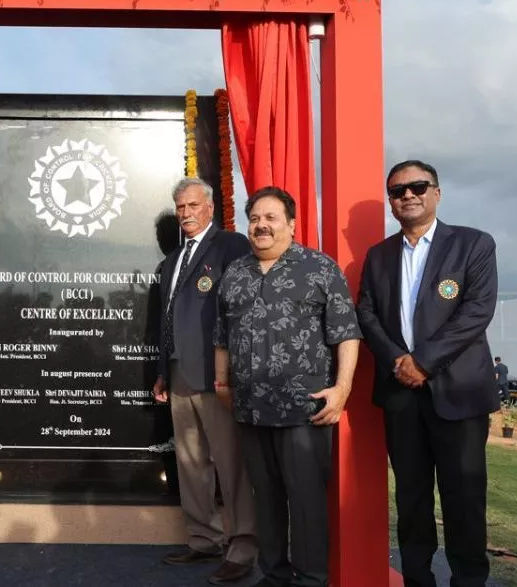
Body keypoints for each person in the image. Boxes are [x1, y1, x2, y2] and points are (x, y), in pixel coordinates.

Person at [356, 160, 499, 587]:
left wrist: (424, 362)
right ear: (391, 202)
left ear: (436, 192)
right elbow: (367, 313)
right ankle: (417, 580)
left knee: (464, 498)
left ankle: (469, 580)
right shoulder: (379, 256)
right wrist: (399, 361)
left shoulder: (473, 244)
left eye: (418, 186)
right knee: (411, 498)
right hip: (402, 396)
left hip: (459, 393)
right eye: (397, 191)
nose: (408, 195)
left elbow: (477, 312)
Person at [213, 187, 361, 587]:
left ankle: (311, 578)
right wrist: (222, 382)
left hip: (304, 408)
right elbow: (221, 335)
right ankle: (275, 575)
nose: (261, 225)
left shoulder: (319, 268)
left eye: (271, 218)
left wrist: (342, 388)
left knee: (307, 501)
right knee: (266, 499)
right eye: (254, 218)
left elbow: (346, 333)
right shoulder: (235, 273)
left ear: (291, 225)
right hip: (250, 408)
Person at [152, 177, 257, 585]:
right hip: (180, 374)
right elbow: (166, 320)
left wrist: (228, 370)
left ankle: (243, 546)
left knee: (231, 465)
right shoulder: (174, 260)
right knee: (191, 463)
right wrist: (163, 371)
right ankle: (203, 539)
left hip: (217, 376)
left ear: (210, 208)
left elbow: (239, 310)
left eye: (193, 205)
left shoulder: (231, 246)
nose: (186, 213)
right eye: (181, 207)